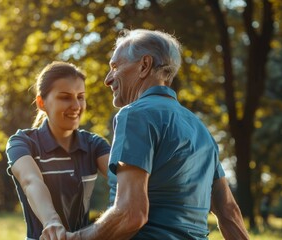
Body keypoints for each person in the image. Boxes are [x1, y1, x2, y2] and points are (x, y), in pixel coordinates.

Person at [42, 29, 249, 239]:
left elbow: (131, 215)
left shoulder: (135, 115)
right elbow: (229, 212)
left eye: (115, 67)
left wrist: (74, 238)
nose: (107, 79)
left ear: (144, 65)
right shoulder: (199, 128)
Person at [6, 61, 110, 240]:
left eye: (80, 96)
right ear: (41, 102)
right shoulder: (22, 142)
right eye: (65, 97)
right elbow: (30, 181)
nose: (76, 105)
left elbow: (124, 181)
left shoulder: (95, 144)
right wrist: (52, 222)